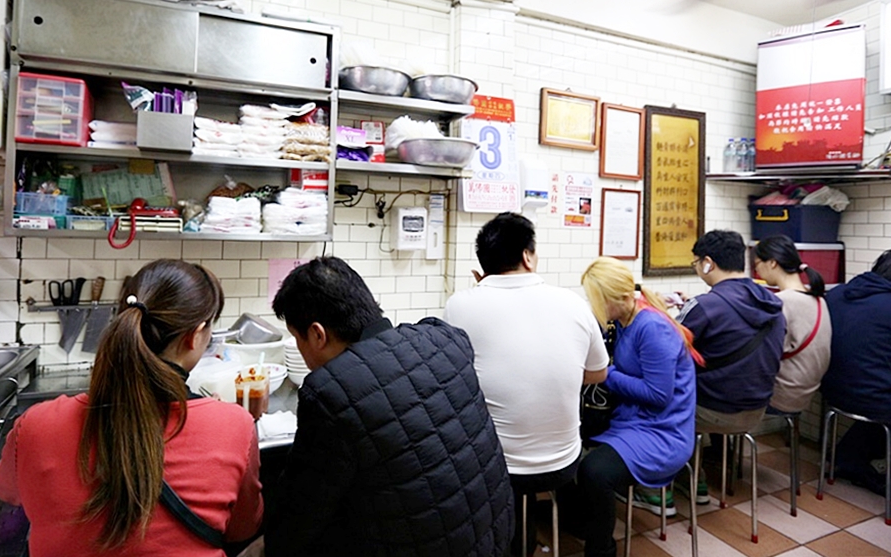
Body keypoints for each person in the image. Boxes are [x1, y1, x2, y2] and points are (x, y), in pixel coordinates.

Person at [0, 260, 263, 556]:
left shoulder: (35, 424)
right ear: (196, 335)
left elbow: (7, 492)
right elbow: (244, 529)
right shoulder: (234, 424)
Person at [267, 256, 514, 557]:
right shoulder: (445, 338)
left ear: (317, 334)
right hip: (494, 537)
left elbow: (299, 515)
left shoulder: (331, 391)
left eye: (297, 338)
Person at [443, 212, 608, 555]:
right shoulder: (573, 303)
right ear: (527, 255)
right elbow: (598, 373)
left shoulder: (460, 305)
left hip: (496, 468)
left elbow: (457, 374)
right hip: (564, 462)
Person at [577, 257, 697, 557]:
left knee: (594, 471)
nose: (595, 307)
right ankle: (582, 523)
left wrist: (607, 373)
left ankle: (601, 548)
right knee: (571, 446)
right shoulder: (623, 319)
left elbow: (658, 395)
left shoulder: (652, 327)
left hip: (662, 432)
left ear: (618, 298)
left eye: (597, 301)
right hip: (633, 420)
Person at [676, 229, 785, 505]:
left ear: (708, 263)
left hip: (713, 411)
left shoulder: (704, 306)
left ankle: (686, 481)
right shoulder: (772, 303)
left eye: (697, 263)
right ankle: (711, 465)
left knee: (656, 399)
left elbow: (668, 350)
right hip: (757, 410)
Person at [821, 249, 891, 495]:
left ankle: (849, 457)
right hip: (872, 400)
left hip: (831, 391)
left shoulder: (838, 293)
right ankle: (853, 460)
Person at [752, 235, 831, 414]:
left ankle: (723, 442)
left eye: (757, 264)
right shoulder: (818, 298)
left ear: (772, 263)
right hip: (806, 392)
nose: (757, 271)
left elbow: (759, 350)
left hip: (782, 396)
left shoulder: (781, 302)